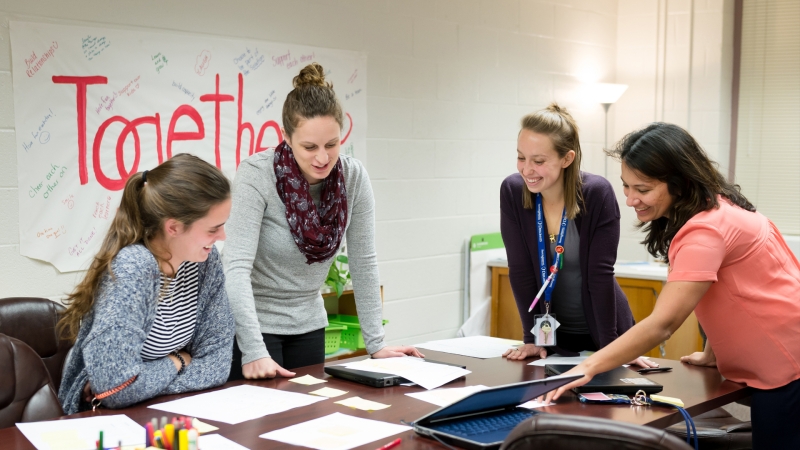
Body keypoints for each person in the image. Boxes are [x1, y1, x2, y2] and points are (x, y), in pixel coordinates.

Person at [546, 123, 800, 449]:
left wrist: (586, 367)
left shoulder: (705, 231)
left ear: (678, 184)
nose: (630, 199)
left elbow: (663, 324)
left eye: (643, 189)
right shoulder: (722, 208)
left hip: (786, 365)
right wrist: (714, 353)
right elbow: (741, 290)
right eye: (626, 187)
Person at [223, 62, 421, 381]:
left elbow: (364, 262)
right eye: (309, 147)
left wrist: (376, 344)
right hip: (252, 328)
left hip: (309, 324)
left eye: (332, 144)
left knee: (307, 418)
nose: (322, 158)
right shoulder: (256, 175)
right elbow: (234, 268)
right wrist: (254, 350)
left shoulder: (353, 178)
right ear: (286, 137)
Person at [58, 153, 235, 414]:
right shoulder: (134, 267)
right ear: (173, 227)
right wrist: (178, 360)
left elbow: (217, 364)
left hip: (167, 408)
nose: (222, 236)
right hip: (105, 418)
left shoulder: (206, 262)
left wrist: (143, 382)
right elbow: (116, 389)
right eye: (213, 229)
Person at [500, 103, 655, 368]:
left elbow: (600, 276)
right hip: (552, 336)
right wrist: (531, 338)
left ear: (567, 159)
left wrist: (611, 348)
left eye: (538, 161)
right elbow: (521, 270)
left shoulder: (596, 193)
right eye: (521, 157)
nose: (527, 170)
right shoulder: (513, 191)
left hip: (606, 331)